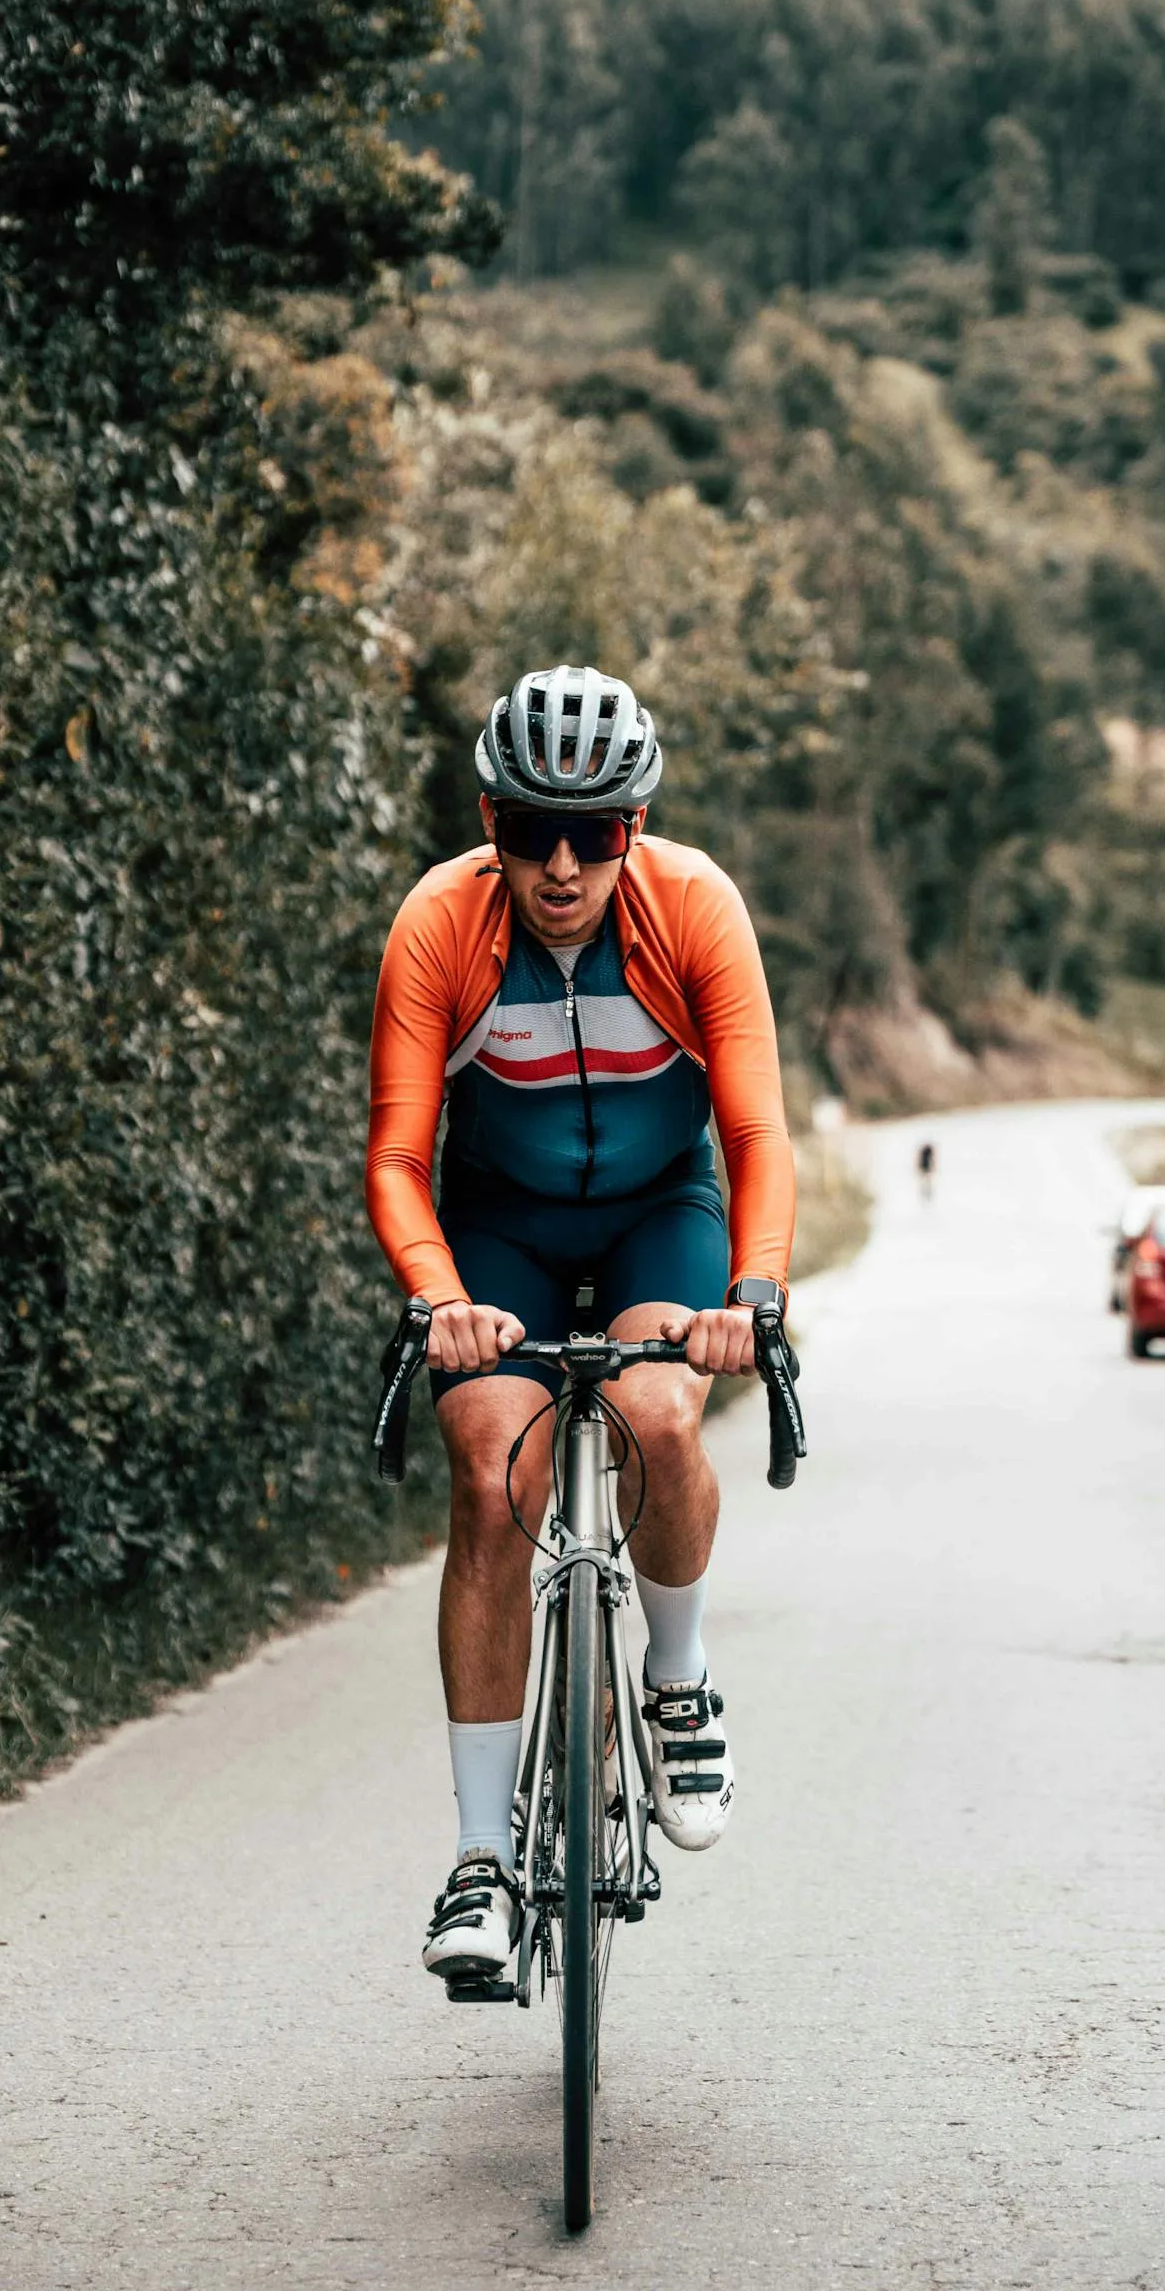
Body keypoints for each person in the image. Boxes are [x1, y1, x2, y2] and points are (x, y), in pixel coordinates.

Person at [366, 664, 795, 1984]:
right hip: (501, 1230)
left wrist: (755, 1293)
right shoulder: (440, 924)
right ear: (489, 822)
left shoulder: (695, 908)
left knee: (659, 1412)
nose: (561, 865)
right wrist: (440, 1300)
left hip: (662, 1211)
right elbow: (399, 1156)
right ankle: (480, 1861)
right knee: (494, 1475)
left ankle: (678, 1676)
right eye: (531, 831)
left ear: (635, 825)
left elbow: (755, 1133)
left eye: (594, 833)